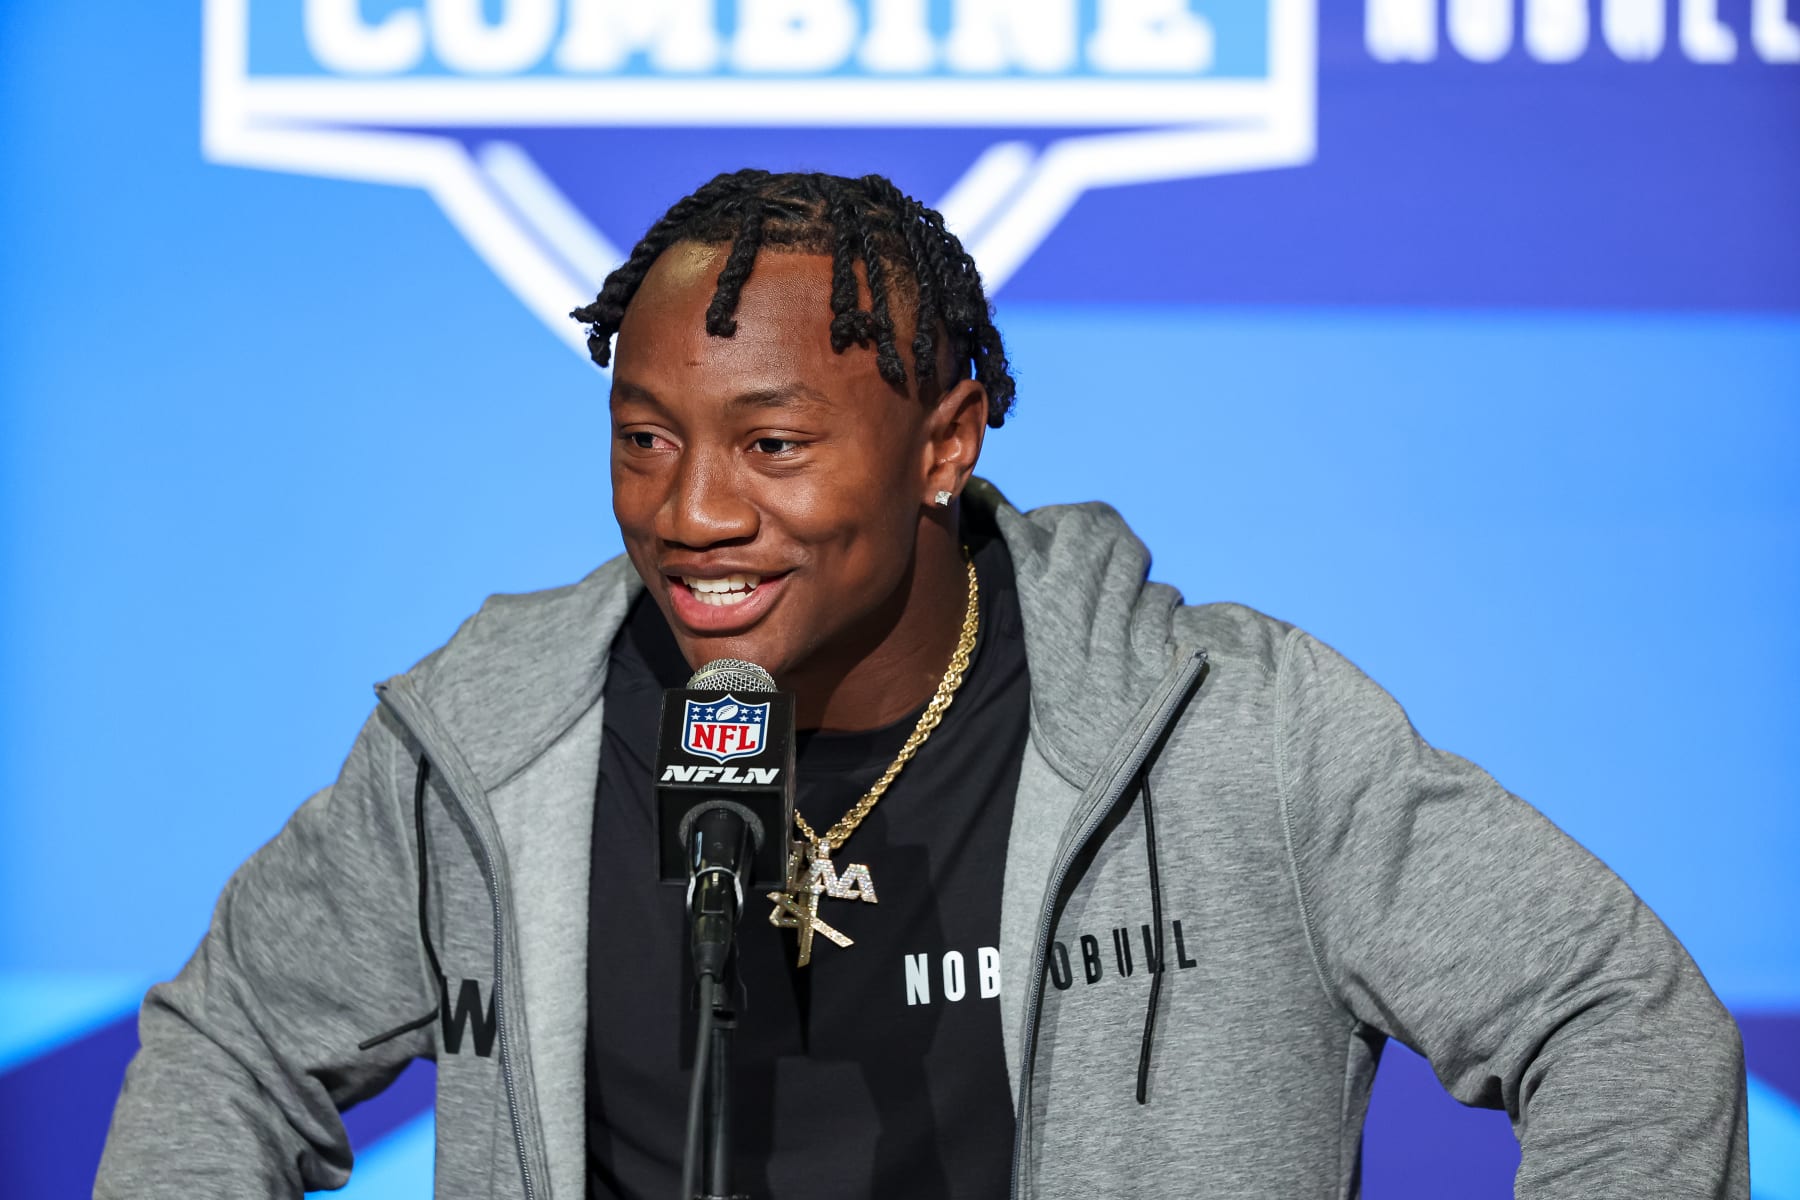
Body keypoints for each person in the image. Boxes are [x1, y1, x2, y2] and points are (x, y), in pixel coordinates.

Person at [97, 169, 1749, 1199]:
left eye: (773, 445)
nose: (692, 512)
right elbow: (229, 1047)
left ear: (944, 443)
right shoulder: (491, 739)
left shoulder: (1233, 731)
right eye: (646, 439)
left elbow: (1621, 1019)